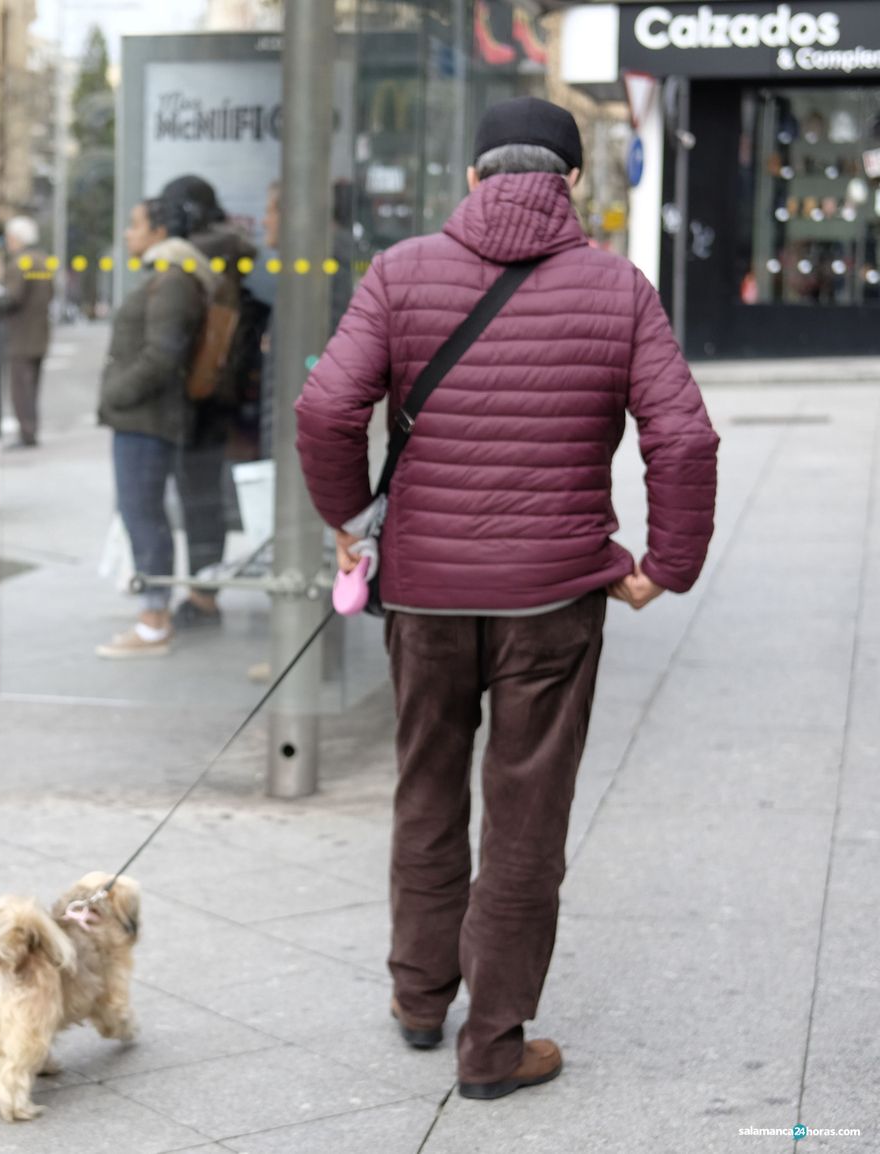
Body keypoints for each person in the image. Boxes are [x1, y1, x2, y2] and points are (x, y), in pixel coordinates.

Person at [296, 98, 720, 1100]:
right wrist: (668, 562)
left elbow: (325, 405)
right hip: (553, 602)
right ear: (572, 182)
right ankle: (492, 1044)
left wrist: (348, 514)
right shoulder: (617, 287)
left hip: (427, 597)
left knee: (426, 785)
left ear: (475, 178)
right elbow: (684, 438)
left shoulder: (399, 272)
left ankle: (416, 992)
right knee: (526, 813)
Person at [95, 198, 216, 659]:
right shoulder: (169, 276)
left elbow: (162, 356)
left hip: (148, 418)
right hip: (144, 417)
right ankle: (153, 614)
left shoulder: (174, 281)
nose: (129, 234)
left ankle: (153, 622)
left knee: (142, 512)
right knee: (142, 511)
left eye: (135, 224)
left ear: (161, 231)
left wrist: (116, 394)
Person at [154, 175, 256, 632]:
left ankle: (203, 593)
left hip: (201, 394)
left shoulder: (198, 253)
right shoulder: (227, 247)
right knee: (204, 498)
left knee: (199, 500)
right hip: (220, 392)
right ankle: (203, 588)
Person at [0, 216, 53, 448]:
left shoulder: (20, 263)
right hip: (40, 333)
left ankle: (27, 433)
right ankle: (31, 430)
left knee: (21, 389)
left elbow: (12, 296)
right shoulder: (43, 262)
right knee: (32, 388)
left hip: (20, 334)